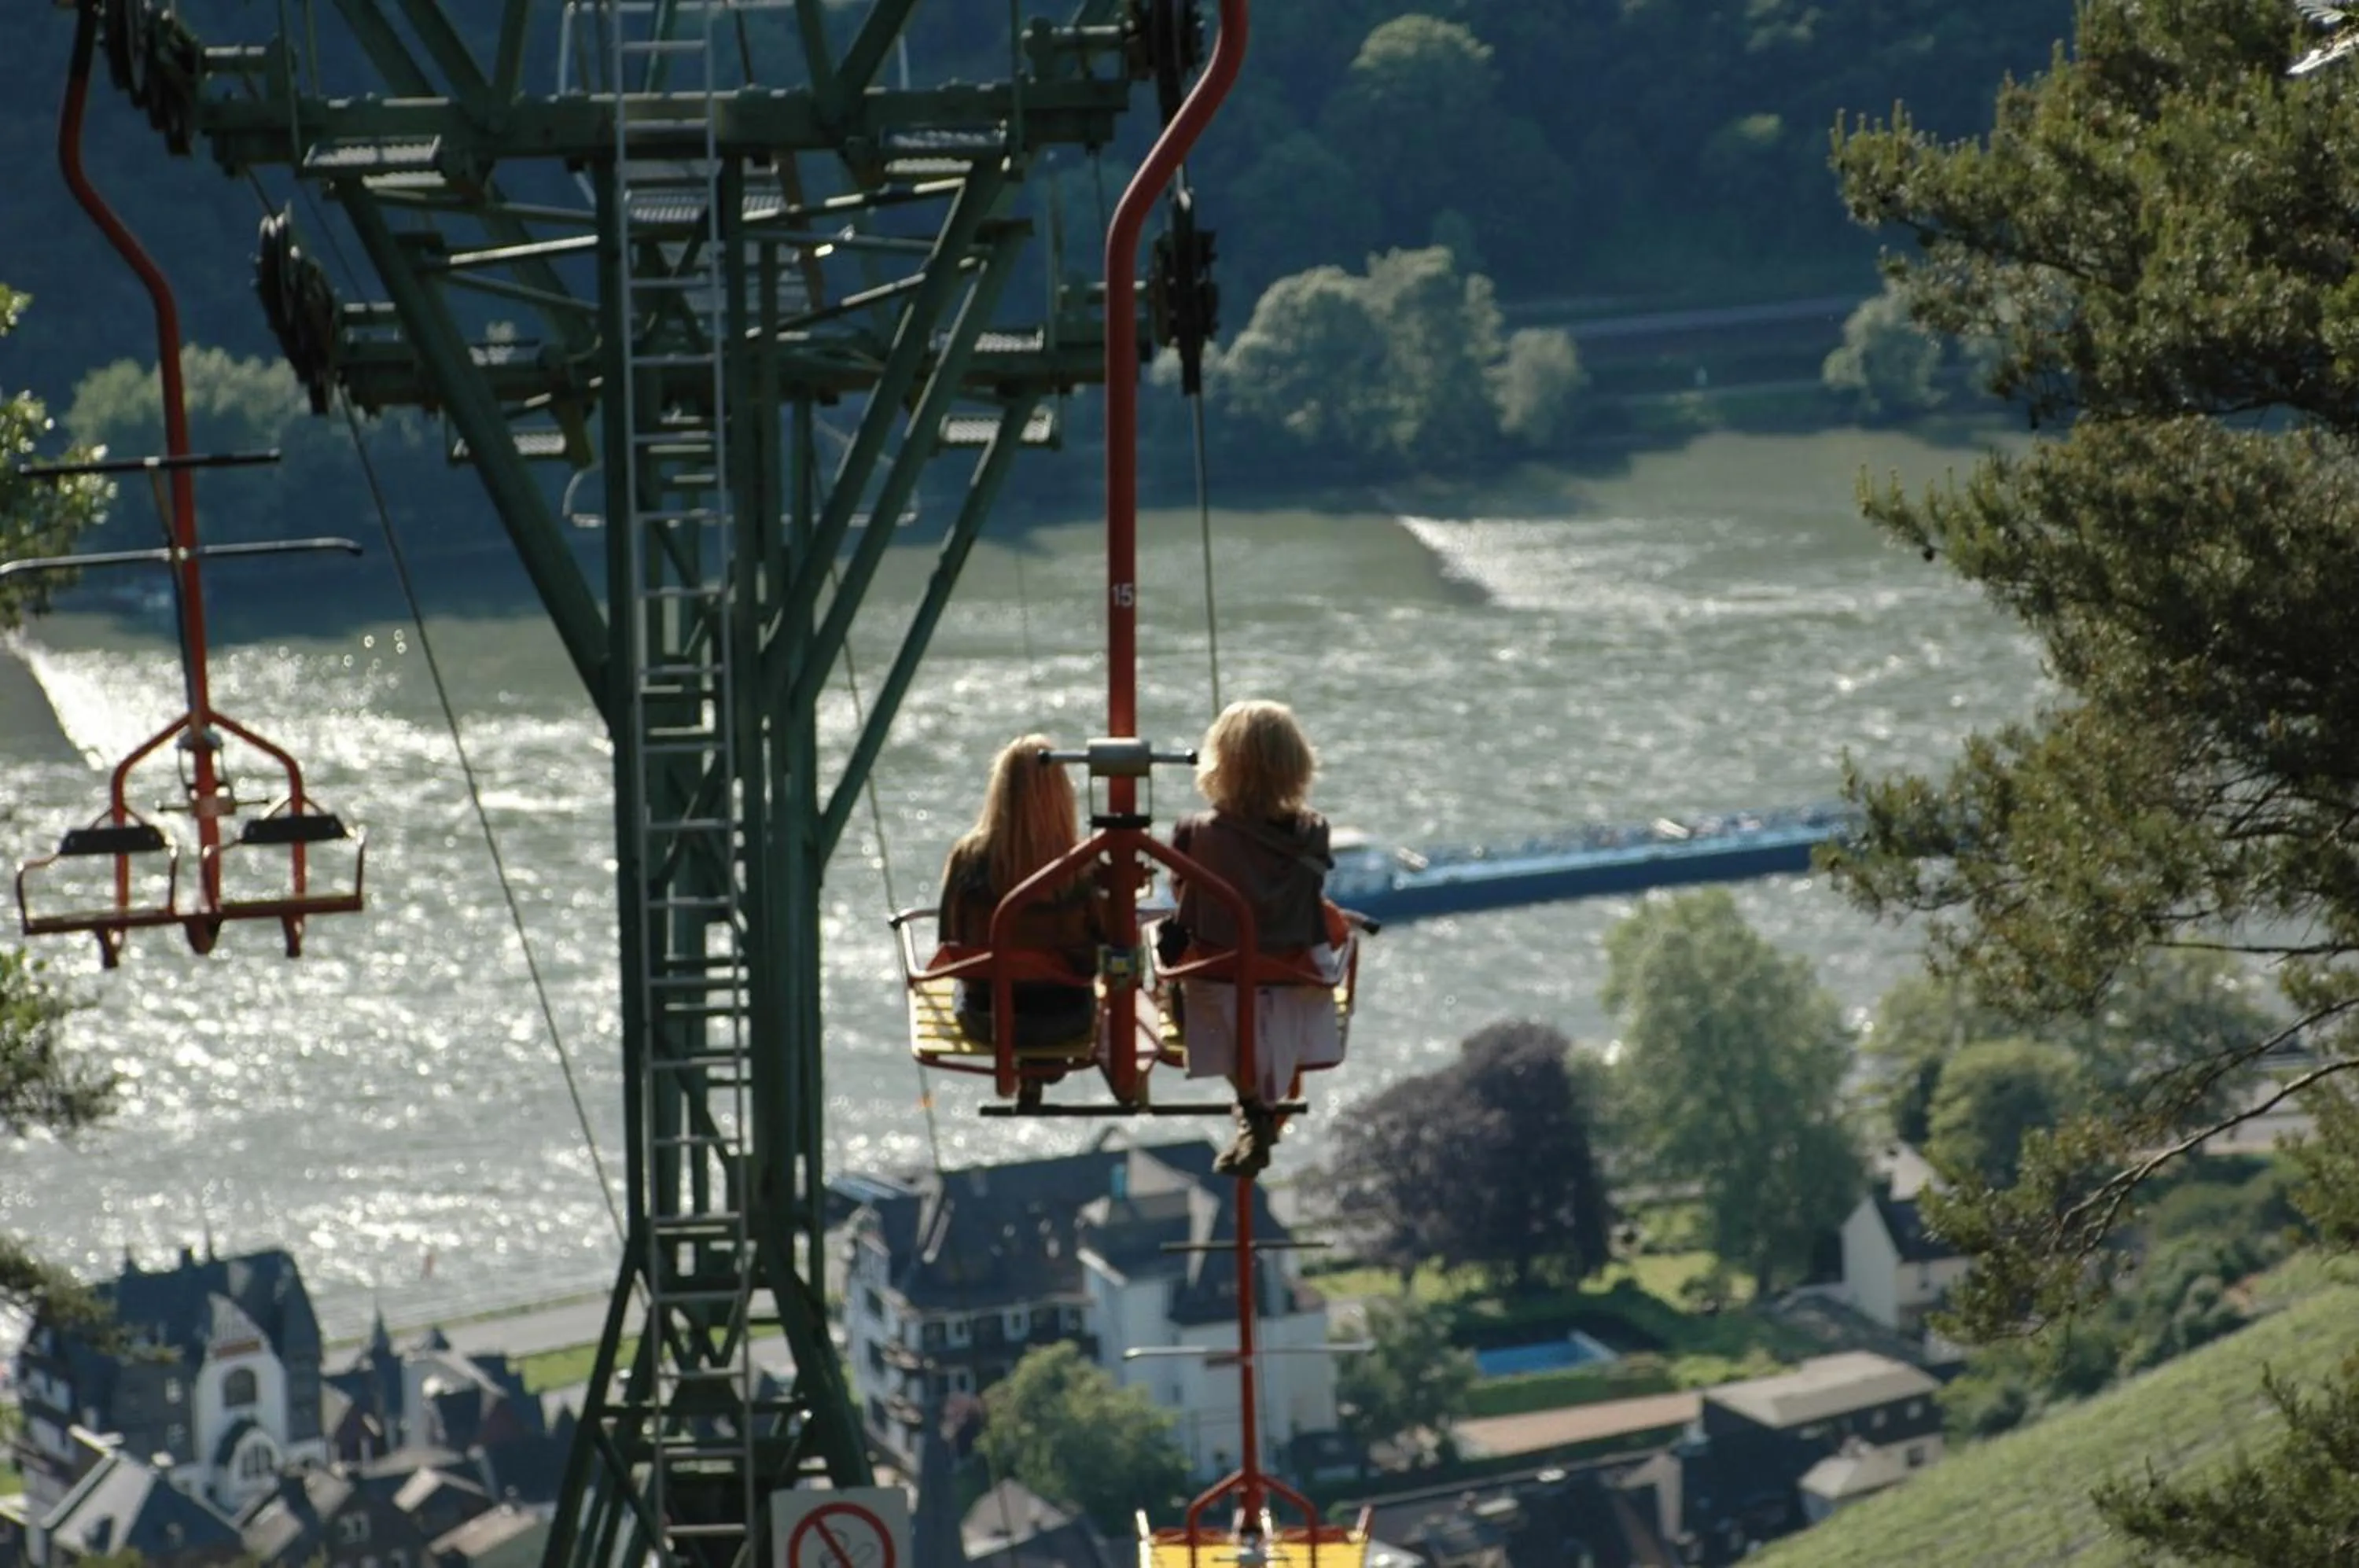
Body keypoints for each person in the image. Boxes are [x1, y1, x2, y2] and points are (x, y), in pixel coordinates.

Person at [1164, 700, 1344, 1176]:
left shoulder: (1194, 832)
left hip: (1219, 974)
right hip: (1293, 972)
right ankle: (1259, 1110)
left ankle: (1251, 1107)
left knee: (1175, 977)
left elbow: (1181, 896)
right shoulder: (1314, 832)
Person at [937, 735, 1100, 1058]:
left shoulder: (968, 857)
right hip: (1066, 1019)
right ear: (1062, 794)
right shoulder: (1082, 865)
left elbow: (948, 938)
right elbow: (1099, 951)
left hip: (988, 1019)